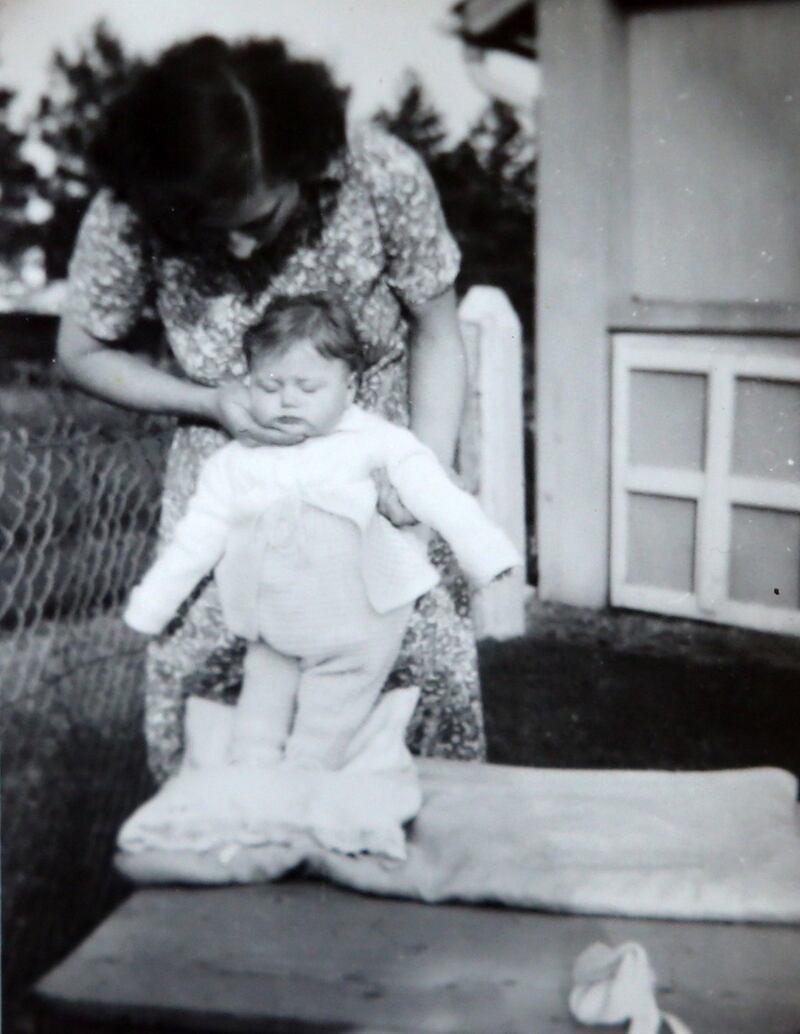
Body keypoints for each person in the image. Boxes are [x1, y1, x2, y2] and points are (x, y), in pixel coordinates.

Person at [58, 34, 489, 783]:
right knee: (220, 696)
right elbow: (81, 350)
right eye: (200, 224)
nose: (234, 245)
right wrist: (208, 400)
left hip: (381, 467)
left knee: (402, 680)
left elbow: (439, 334)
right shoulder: (129, 203)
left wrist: (423, 475)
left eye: (257, 218)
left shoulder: (380, 172)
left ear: (304, 163)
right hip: (230, 474)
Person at [123, 295, 518, 771]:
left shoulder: (376, 442)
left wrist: (485, 553)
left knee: (324, 729)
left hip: (357, 627)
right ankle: (253, 789)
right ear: (248, 383)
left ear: (349, 388)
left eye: (308, 387)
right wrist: (152, 606)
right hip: (276, 624)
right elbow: (196, 540)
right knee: (258, 716)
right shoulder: (235, 462)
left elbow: (439, 496)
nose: (288, 399)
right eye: (269, 385)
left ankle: (308, 789)